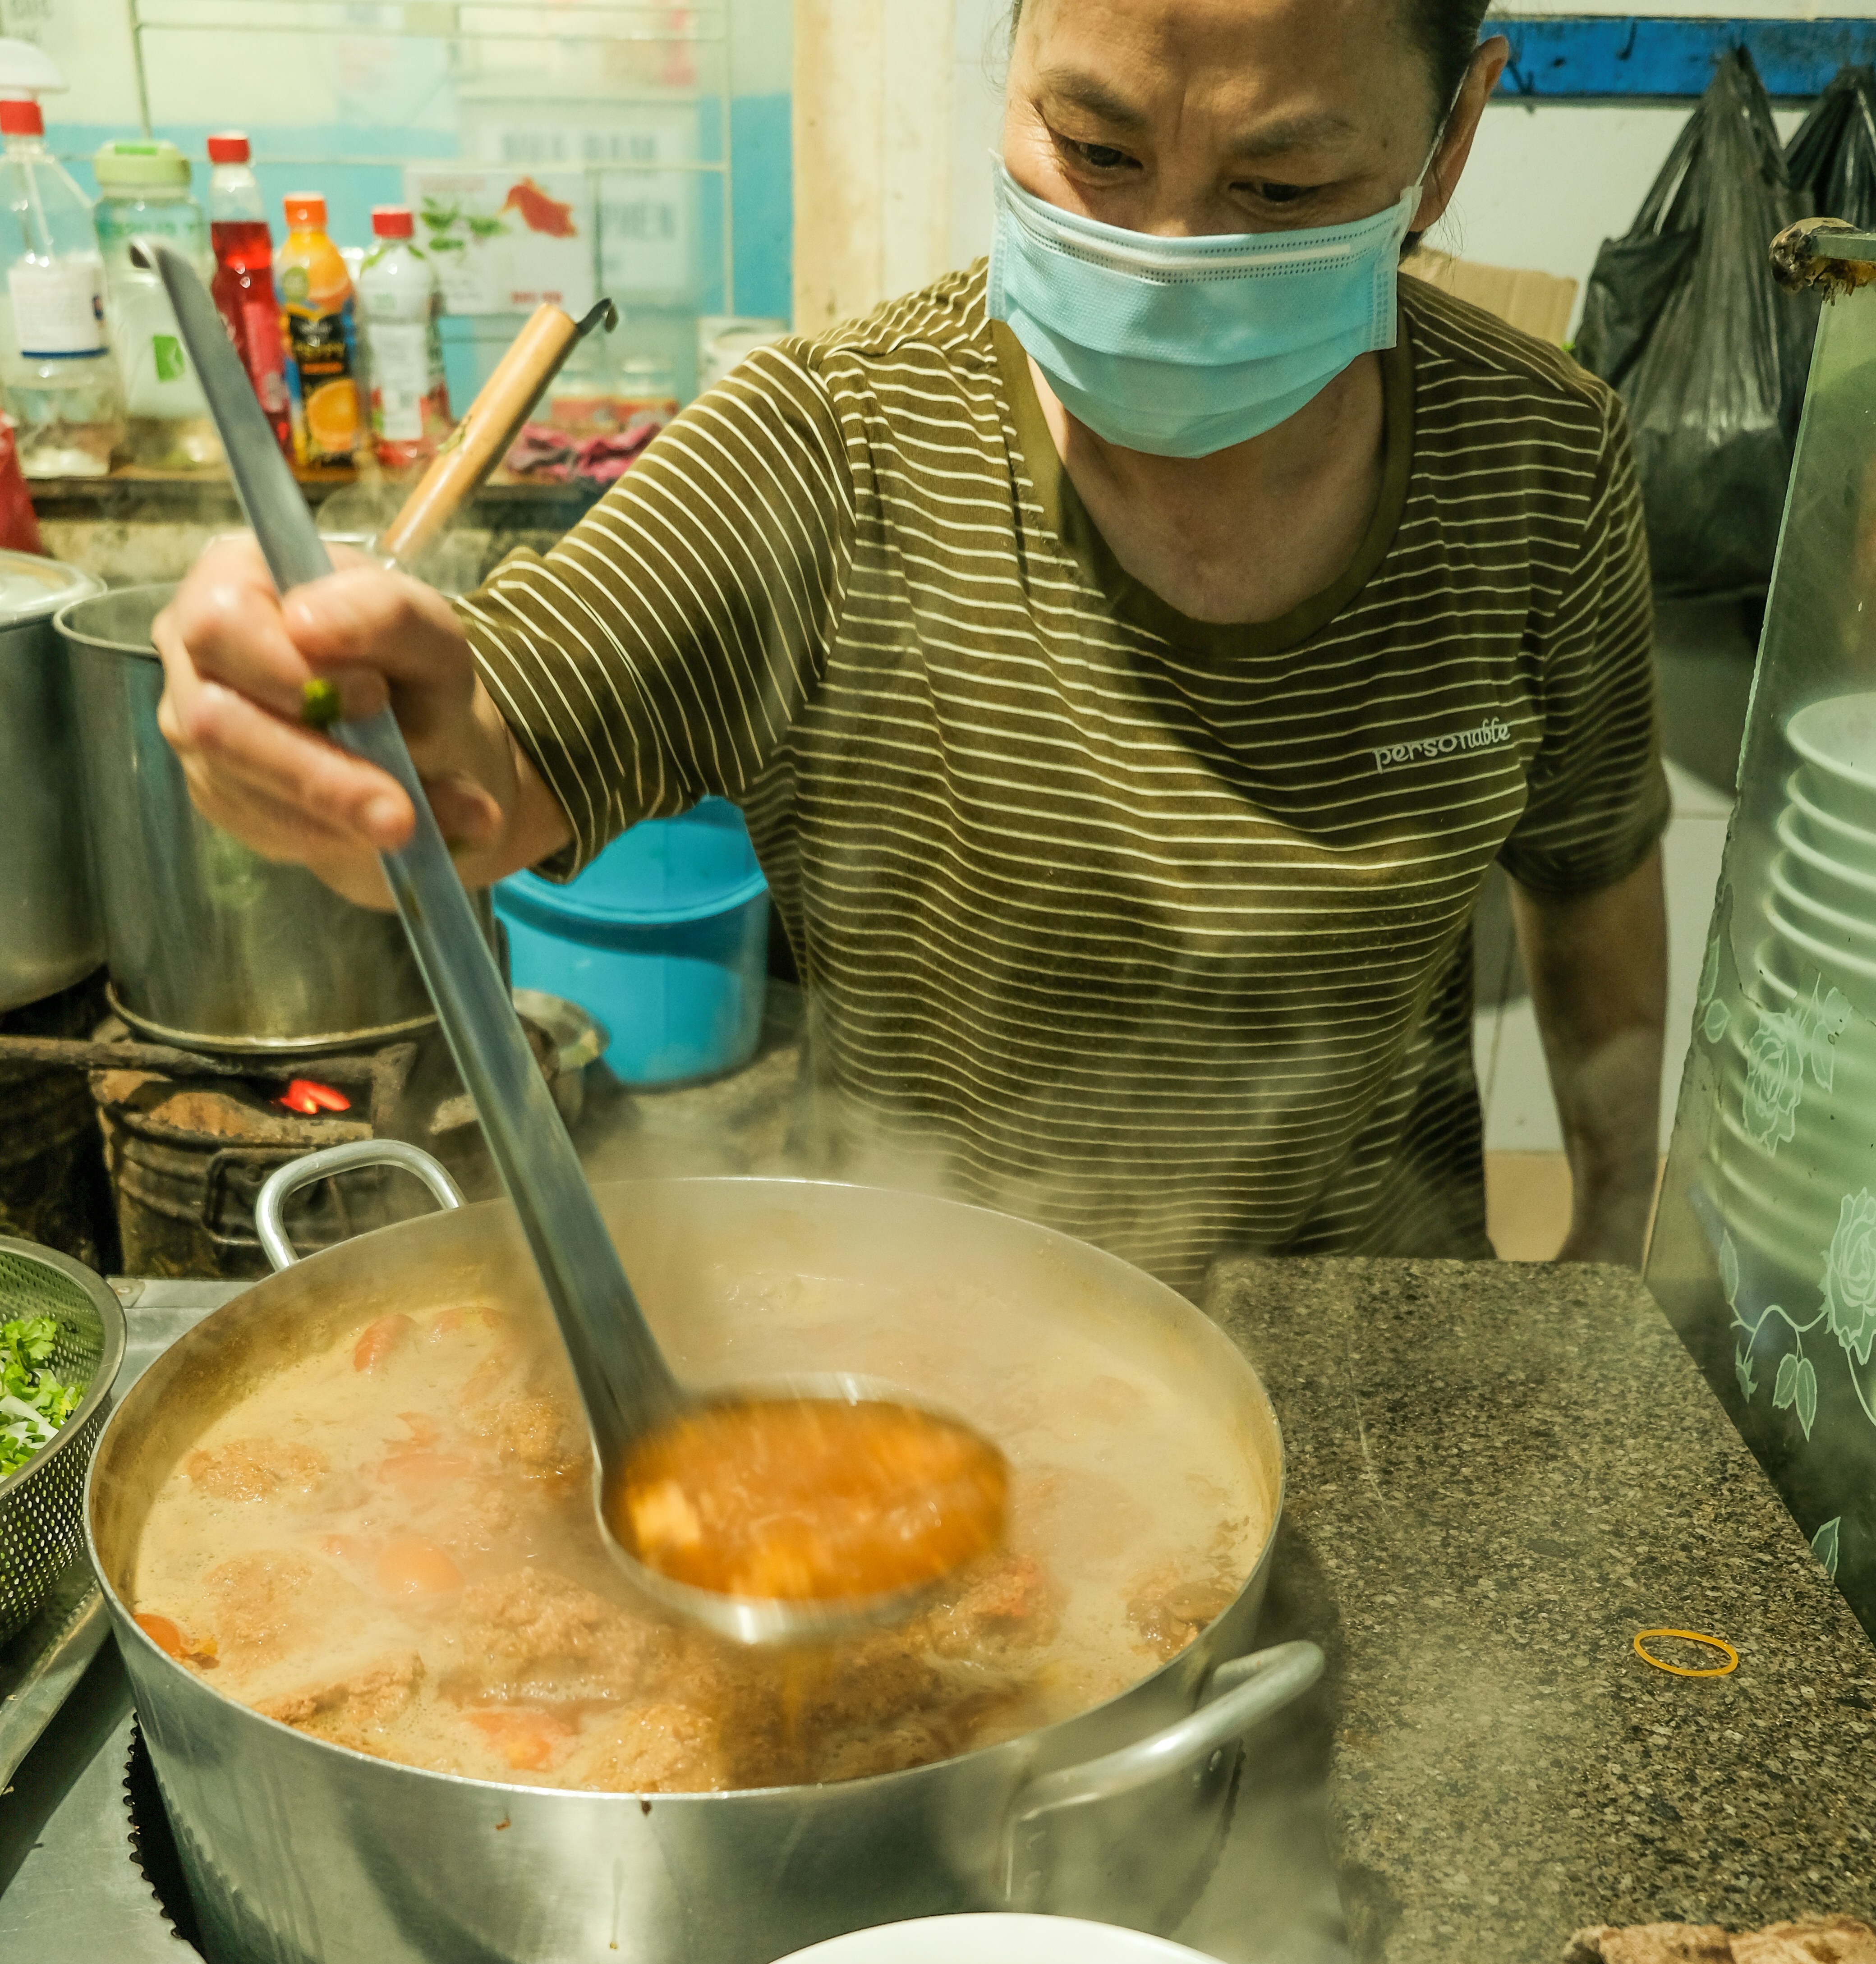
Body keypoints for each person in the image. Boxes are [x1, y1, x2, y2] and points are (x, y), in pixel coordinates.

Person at [155, 0, 1669, 1294]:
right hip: (931, 1344)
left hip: (1368, 1343)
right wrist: (337, 734)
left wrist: (1612, 1233)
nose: (1159, 252)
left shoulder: (1543, 460)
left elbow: (1595, 872)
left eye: (1277, 188)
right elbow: (482, 743)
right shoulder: (833, 448)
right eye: (1096, 150)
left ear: (1452, 140)